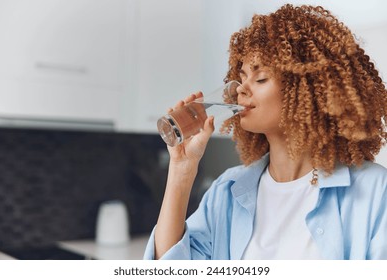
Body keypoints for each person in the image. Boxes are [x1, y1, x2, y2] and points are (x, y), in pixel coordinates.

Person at [144, 4, 387, 260]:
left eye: (260, 79)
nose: (240, 90)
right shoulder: (228, 190)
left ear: (309, 90)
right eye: (241, 77)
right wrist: (181, 171)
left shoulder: (373, 190)